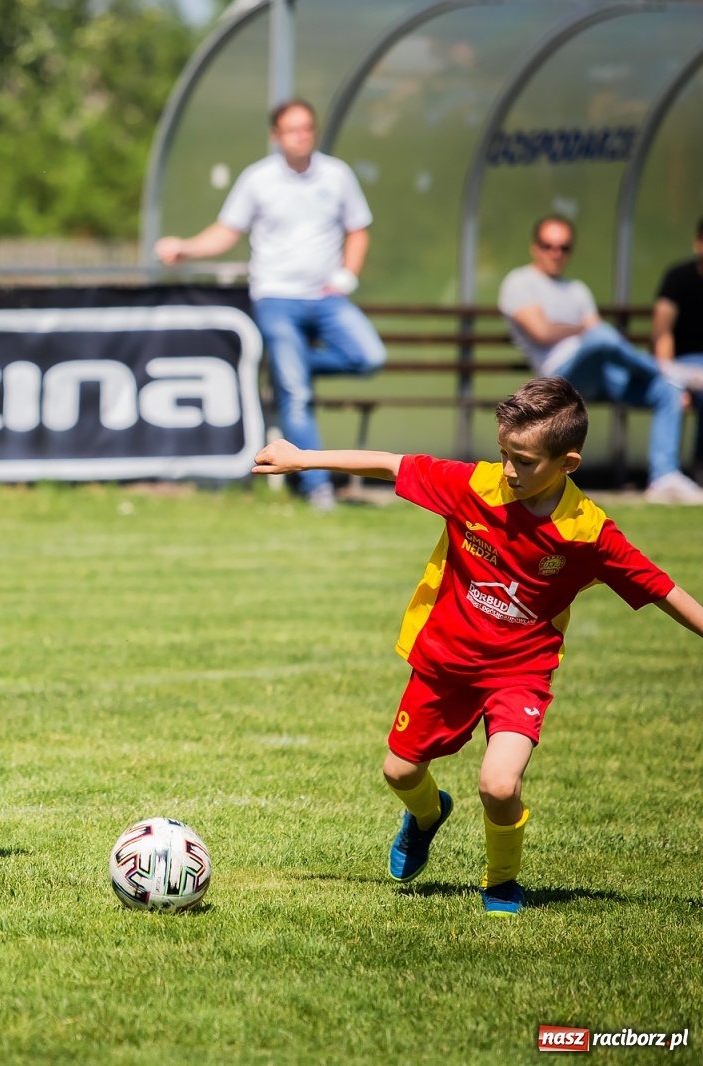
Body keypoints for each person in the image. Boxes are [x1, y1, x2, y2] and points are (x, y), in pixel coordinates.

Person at [252, 377, 703, 915]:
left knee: (498, 783)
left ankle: (501, 882)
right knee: (399, 772)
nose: (510, 470)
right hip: (445, 663)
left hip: (520, 673)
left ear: (569, 463)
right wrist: (303, 459)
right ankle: (426, 816)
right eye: (503, 454)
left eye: (525, 460)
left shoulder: (588, 534)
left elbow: (662, 589)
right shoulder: (476, 487)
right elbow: (393, 465)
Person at [156, 98, 385, 512]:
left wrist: (346, 275)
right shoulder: (257, 180)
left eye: (307, 128)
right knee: (294, 396)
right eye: (292, 129)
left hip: (326, 297)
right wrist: (184, 249)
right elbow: (227, 232)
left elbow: (358, 229)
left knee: (369, 356)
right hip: (277, 297)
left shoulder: (337, 175)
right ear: (276, 136)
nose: (302, 135)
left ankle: (290, 365)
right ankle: (317, 488)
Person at [498, 215, 703, 504]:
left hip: (601, 373)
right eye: (548, 246)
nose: (556, 253)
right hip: (562, 376)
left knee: (666, 389)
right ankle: (668, 370)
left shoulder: (577, 289)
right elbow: (541, 332)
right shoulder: (519, 282)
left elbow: (600, 336)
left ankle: (664, 476)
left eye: (563, 247)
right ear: (535, 247)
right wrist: (584, 330)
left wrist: (590, 332)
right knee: (601, 336)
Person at [652, 216, 703, 467]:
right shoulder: (678, 278)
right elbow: (662, 332)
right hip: (683, 363)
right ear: (698, 244)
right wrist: (671, 377)